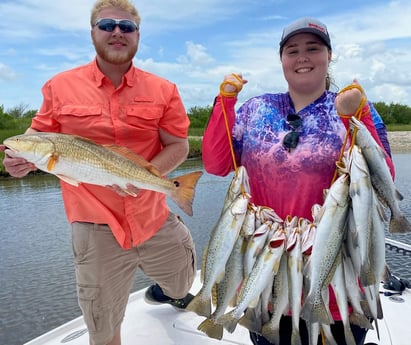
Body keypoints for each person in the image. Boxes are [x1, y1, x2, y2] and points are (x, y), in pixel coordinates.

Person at [0, 1, 196, 344]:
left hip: (153, 215)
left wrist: (139, 179)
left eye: (126, 27)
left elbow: (178, 145)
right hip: (94, 228)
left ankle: (172, 292)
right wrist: (17, 160)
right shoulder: (59, 86)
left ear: (137, 35)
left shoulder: (164, 90)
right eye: (106, 25)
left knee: (183, 283)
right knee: (102, 331)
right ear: (93, 32)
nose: (116, 32)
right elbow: (36, 137)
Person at [202, 17, 394, 345]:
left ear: (329, 55)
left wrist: (356, 116)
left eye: (313, 48)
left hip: (338, 274)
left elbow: (384, 177)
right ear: (281, 60)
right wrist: (225, 102)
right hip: (266, 273)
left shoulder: (356, 106)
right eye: (292, 50)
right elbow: (218, 164)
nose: (302, 57)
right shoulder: (255, 108)